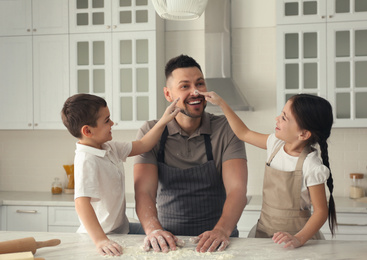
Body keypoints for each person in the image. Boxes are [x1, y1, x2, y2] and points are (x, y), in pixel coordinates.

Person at [133, 54, 248, 253]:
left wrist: (221, 230)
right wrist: (154, 230)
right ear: (168, 94)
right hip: (167, 243)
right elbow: (144, 192)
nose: (195, 92)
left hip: (219, 242)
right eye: (185, 86)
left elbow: (237, 190)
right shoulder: (151, 132)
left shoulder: (226, 129)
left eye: (200, 84)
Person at [199, 91, 337, 248]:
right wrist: (222, 103)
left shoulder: (311, 166)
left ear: (303, 134)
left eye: (284, 117)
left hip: (296, 241)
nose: (277, 118)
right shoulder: (275, 144)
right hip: (264, 234)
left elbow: (321, 212)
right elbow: (244, 133)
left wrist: (298, 239)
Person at [61, 93, 179, 256]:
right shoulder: (86, 159)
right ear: (87, 131)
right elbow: (81, 204)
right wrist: (101, 240)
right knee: (161, 241)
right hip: (101, 237)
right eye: (106, 120)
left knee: (163, 235)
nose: (112, 123)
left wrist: (165, 119)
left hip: (121, 229)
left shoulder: (109, 148)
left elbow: (144, 144)